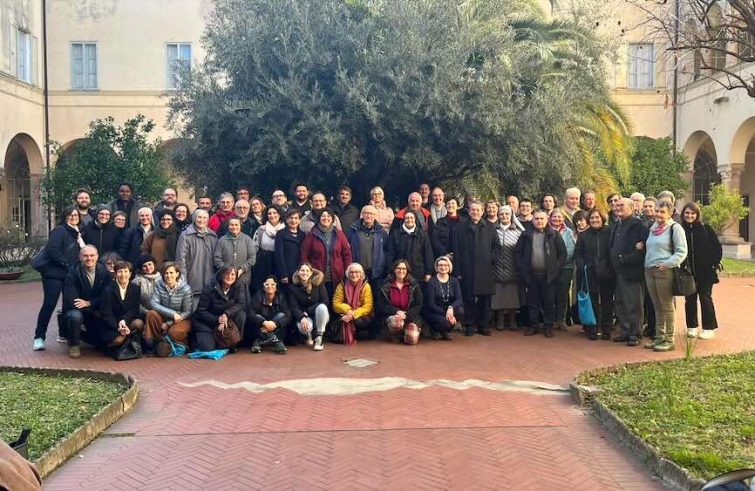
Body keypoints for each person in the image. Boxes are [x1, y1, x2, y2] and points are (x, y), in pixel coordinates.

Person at [33, 206, 85, 350]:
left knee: (68, 305)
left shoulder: (78, 233)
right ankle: (39, 337)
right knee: (49, 304)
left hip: (70, 275)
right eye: (70, 215)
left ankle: (65, 334)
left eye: (76, 215)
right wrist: (66, 264)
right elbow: (52, 249)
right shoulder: (60, 230)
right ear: (65, 216)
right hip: (54, 275)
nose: (73, 217)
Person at [644, 199, 688, 352]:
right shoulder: (653, 228)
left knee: (667, 306)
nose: (658, 214)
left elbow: (682, 251)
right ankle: (659, 337)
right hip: (650, 271)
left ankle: (669, 339)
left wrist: (666, 264)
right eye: (657, 211)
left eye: (662, 212)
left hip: (664, 272)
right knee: (657, 306)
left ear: (670, 213)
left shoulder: (675, 228)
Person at [515, 210, 566, 338]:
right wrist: (522, 268)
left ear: (547, 220)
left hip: (548, 276)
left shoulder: (553, 234)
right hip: (531, 275)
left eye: (542, 219)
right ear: (532, 220)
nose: (539, 221)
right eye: (536, 219)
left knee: (549, 302)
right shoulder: (525, 235)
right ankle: (534, 325)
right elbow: (518, 253)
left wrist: (556, 269)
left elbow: (562, 254)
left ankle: (548, 326)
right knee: (532, 302)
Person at [453, 201, 500, 336]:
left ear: (482, 211)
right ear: (469, 211)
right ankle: (469, 325)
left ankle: (483, 325)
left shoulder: (489, 227)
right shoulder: (460, 228)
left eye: (478, 210)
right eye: (473, 210)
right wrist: (458, 271)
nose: (475, 212)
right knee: (468, 298)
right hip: (467, 268)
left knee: (485, 299)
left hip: (485, 268)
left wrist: (491, 259)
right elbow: (456, 250)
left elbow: (497, 246)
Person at [609, 197, 648, 347]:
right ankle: (625, 331)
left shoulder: (639, 225)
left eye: (621, 205)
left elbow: (642, 249)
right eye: (616, 205)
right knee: (620, 303)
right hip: (617, 271)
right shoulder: (617, 224)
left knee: (634, 304)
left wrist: (624, 259)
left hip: (632, 272)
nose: (617, 207)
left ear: (631, 208)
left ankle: (635, 334)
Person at [681, 202, 722, 340]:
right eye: (687, 213)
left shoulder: (706, 228)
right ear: (683, 214)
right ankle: (692, 327)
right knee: (690, 300)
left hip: (705, 272)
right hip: (688, 272)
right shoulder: (680, 229)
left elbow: (717, 247)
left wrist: (714, 263)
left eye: (692, 213)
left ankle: (708, 328)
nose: (690, 216)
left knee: (705, 298)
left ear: (697, 214)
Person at [62, 246, 111, 358]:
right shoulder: (72, 273)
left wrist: (90, 303)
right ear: (80, 257)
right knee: (75, 316)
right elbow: (71, 301)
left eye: (92, 255)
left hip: (94, 308)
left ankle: (91, 338)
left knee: (99, 340)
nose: (89, 258)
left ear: (97, 256)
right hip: (77, 309)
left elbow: (107, 296)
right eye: (85, 256)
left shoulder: (104, 272)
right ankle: (74, 344)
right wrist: (93, 305)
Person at [575, 209, 615, 340]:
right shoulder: (583, 235)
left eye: (597, 217)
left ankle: (606, 329)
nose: (594, 220)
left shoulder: (610, 232)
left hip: (607, 272)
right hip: (589, 273)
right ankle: (592, 328)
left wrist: (611, 266)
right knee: (592, 301)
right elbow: (578, 253)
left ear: (602, 218)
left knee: (607, 301)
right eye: (592, 218)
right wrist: (582, 266)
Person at [192, 266, 247, 352]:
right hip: (207, 322)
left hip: (225, 317)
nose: (230, 277)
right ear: (221, 274)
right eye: (227, 274)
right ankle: (197, 339)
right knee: (208, 348)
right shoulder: (209, 288)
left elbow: (241, 303)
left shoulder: (239, 285)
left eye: (232, 274)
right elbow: (201, 311)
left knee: (241, 315)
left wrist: (226, 314)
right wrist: (218, 319)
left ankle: (233, 343)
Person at [300, 208, 352, 296]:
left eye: (328, 216)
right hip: (317, 275)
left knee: (335, 299)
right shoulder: (312, 234)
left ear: (332, 219)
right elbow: (304, 254)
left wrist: (347, 271)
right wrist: (308, 272)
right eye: (323, 216)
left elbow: (347, 254)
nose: (326, 218)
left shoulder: (339, 234)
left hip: (337, 275)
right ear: (319, 218)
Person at [144, 262, 193, 356]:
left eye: (171, 273)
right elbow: (153, 303)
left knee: (174, 333)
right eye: (166, 273)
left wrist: (169, 323)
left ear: (177, 274)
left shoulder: (186, 289)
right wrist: (172, 314)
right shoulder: (159, 285)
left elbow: (188, 311)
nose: (168, 275)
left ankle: (183, 345)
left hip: (182, 319)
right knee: (151, 313)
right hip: (165, 316)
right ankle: (153, 345)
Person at [176, 209, 219, 309]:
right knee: (193, 308)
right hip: (192, 278)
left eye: (205, 218)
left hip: (209, 278)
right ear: (194, 219)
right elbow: (180, 259)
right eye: (199, 217)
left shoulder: (213, 236)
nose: (202, 220)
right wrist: (183, 279)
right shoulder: (185, 235)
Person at [376, 260, 424, 345]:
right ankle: (395, 334)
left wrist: (407, 314)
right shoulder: (385, 284)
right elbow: (381, 304)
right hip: (393, 315)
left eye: (404, 268)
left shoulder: (414, 284)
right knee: (396, 323)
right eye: (398, 268)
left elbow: (419, 304)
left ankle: (406, 331)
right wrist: (396, 311)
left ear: (407, 270)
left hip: (410, 316)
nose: (401, 271)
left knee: (411, 340)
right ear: (394, 270)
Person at [99, 261, 144, 351]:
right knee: (118, 341)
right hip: (113, 324)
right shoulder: (107, 290)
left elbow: (134, 309)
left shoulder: (135, 288)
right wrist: (118, 327)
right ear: (115, 274)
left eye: (125, 271)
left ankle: (130, 339)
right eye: (120, 272)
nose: (123, 275)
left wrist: (124, 321)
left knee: (139, 323)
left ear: (130, 274)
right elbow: (106, 313)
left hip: (127, 321)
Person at [491, 205, 523, 331]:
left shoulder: (518, 231)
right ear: (498, 216)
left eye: (507, 214)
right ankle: (500, 320)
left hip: (513, 267)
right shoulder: (493, 230)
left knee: (512, 296)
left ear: (511, 216)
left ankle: (512, 319)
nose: (504, 216)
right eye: (502, 214)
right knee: (499, 295)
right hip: (497, 267)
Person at [287, 263, 329, 351]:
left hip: (320, 315)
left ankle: (319, 337)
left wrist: (308, 311)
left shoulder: (318, 285)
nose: (305, 273)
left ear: (311, 273)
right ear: (298, 272)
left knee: (322, 307)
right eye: (302, 270)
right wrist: (302, 317)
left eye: (307, 271)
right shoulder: (292, 288)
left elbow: (325, 302)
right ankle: (308, 334)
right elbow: (293, 307)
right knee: (304, 329)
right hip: (304, 316)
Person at [385, 209, 434, 284]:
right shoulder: (395, 234)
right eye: (407, 218)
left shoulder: (423, 235)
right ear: (404, 219)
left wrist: (428, 272)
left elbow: (428, 254)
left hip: (419, 273)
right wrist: (389, 271)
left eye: (411, 218)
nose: (409, 220)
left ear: (415, 219)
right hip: (400, 273)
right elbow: (390, 254)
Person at [332, 263, 375, 343]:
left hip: (361, 315)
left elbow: (368, 306)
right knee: (342, 320)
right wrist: (348, 310)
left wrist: (353, 314)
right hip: (345, 313)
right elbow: (336, 303)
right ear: (347, 274)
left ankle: (356, 334)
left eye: (357, 272)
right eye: (351, 272)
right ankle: (354, 335)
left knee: (358, 322)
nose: (354, 274)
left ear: (361, 274)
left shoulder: (366, 286)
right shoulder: (342, 285)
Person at [248, 275, 291, 354]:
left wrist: (275, 324)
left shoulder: (281, 296)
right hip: (261, 325)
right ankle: (275, 341)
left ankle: (258, 341)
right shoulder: (258, 296)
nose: (270, 286)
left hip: (275, 325)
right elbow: (250, 314)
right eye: (267, 284)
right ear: (263, 286)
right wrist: (264, 323)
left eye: (272, 284)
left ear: (276, 287)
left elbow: (288, 315)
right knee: (257, 316)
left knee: (281, 315)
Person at [423, 255, 463, 340]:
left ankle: (446, 331)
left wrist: (451, 308)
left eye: (445, 265)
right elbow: (431, 304)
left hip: (448, 309)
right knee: (445, 322)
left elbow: (459, 299)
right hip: (434, 311)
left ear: (449, 267)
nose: (443, 267)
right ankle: (434, 329)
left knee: (460, 311)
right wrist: (447, 313)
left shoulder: (454, 281)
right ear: (437, 267)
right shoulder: (432, 282)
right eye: (440, 265)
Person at [213, 217, 256, 296]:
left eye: (236, 225)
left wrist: (243, 268)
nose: (234, 227)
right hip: (226, 279)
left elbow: (252, 258)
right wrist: (226, 270)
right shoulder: (222, 240)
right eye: (231, 225)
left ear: (240, 226)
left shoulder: (247, 239)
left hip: (243, 278)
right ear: (228, 226)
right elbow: (217, 258)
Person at [550, 209, 577, 331]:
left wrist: (559, 263)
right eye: (554, 217)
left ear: (563, 218)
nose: (557, 219)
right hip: (549, 268)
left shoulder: (569, 232)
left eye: (559, 217)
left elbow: (570, 250)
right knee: (550, 293)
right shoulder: (546, 230)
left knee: (562, 293)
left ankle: (561, 319)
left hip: (566, 267)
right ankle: (551, 319)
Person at [348, 205, 388, 282]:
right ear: (362, 215)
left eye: (371, 213)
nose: (369, 216)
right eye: (366, 213)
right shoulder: (353, 230)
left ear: (375, 216)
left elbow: (386, 250)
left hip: (376, 272)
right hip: (357, 272)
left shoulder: (381, 232)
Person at [251, 205, 285, 291]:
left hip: (280, 262)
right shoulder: (261, 229)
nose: (272, 215)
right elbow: (255, 246)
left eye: (275, 213)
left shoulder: (285, 229)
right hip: (264, 262)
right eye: (269, 213)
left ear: (279, 214)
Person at [274, 208, 305, 285]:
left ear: (299, 220)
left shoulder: (303, 235)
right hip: (286, 272)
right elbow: (279, 255)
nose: (293, 221)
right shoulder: (281, 234)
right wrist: (283, 274)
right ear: (287, 220)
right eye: (291, 218)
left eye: (296, 218)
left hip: (300, 272)